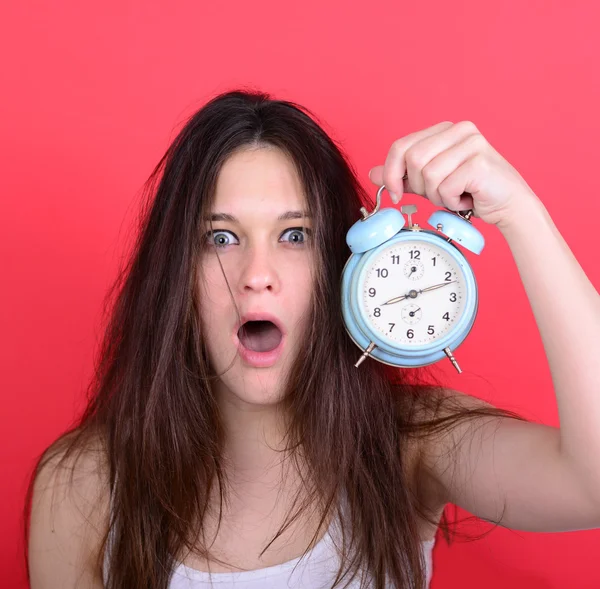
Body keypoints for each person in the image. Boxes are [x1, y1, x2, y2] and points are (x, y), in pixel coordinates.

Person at [25, 90, 600, 589]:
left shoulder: (409, 445)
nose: (257, 272)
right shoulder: (85, 484)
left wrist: (522, 213)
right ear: (176, 271)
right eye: (221, 238)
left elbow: (591, 485)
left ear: (339, 265)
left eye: (294, 235)